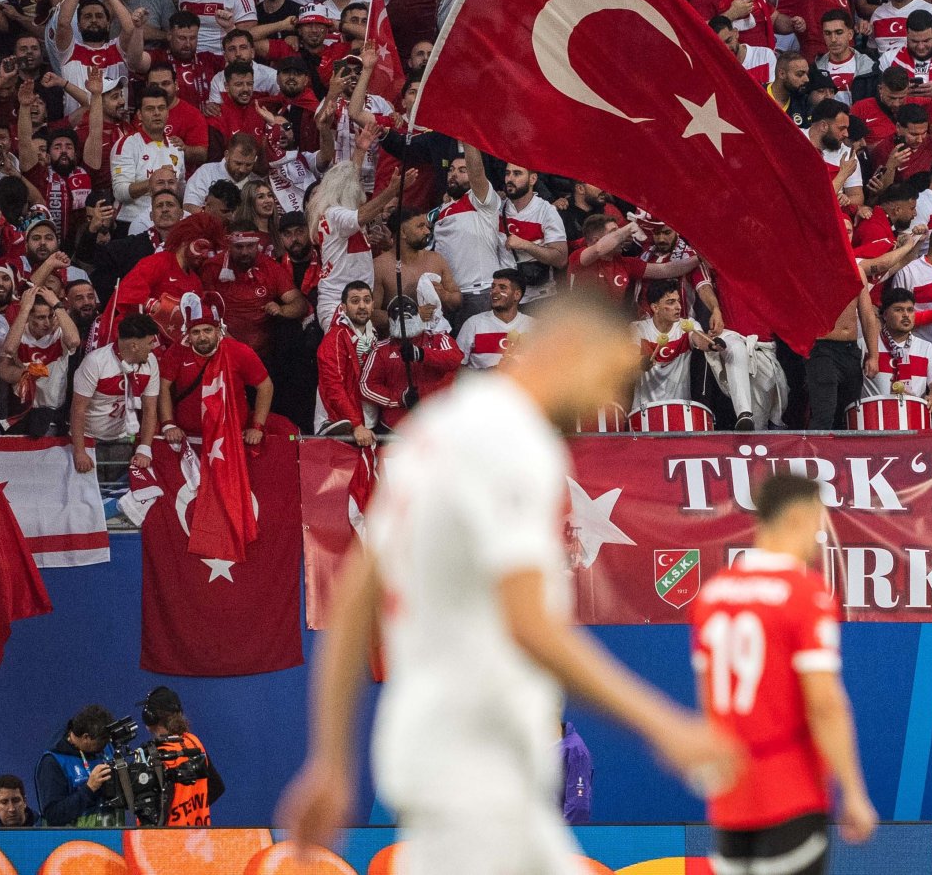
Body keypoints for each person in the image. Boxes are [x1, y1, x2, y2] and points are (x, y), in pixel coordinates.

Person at [279, 295, 741, 872]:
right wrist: (664, 725)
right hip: (478, 762)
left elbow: (355, 596)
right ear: (571, 348)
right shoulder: (514, 443)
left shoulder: (438, 427)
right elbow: (528, 624)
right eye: (609, 375)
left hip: (451, 756)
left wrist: (329, 759)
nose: (608, 397)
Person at [689, 472, 877, 874]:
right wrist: (854, 791)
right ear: (796, 518)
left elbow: (707, 698)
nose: (818, 538)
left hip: (729, 801)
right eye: (817, 523)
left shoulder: (712, 594)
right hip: (790, 796)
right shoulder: (805, 593)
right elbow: (824, 703)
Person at [138, 685, 224, 827]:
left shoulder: (155, 754)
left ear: (150, 717)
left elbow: (152, 812)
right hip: (199, 834)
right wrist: (191, 811)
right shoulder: (194, 742)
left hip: (167, 837)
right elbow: (217, 787)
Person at [31, 705, 115, 827]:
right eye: (101, 743)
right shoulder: (52, 762)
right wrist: (89, 789)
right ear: (86, 737)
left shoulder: (105, 747)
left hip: (114, 834)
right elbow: (53, 815)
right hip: (76, 838)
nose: (105, 746)